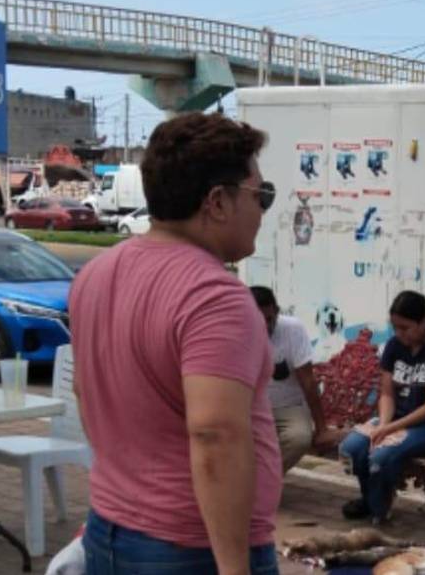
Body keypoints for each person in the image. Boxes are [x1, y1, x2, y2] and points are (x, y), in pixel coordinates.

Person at [70, 113, 282, 575]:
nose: (263, 210)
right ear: (218, 202)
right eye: (261, 195)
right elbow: (216, 435)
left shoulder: (95, 274)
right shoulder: (215, 297)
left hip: (110, 529)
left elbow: (84, 393)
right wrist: (234, 568)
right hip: (191, 550)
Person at [338, 291, 425, 525]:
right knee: (353, 446)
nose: (399, 333)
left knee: (381, 454)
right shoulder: (395, 346)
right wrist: (384, 425)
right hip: (397, 419)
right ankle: (371, 499)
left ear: (424, 322)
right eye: (395, 327)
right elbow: (387, 393)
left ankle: (378, 510)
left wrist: (389, 430)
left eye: (405, 328)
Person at [250, 286, 337, 473]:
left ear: (276, 311)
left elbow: (308, 382)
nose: (265, 326)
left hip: (289, 407)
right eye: (258, 320)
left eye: (269, 319)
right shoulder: (234, 330)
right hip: (250, 406)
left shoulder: (292, 329)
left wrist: (322, 429)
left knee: (300, 439)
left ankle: (263, 480)